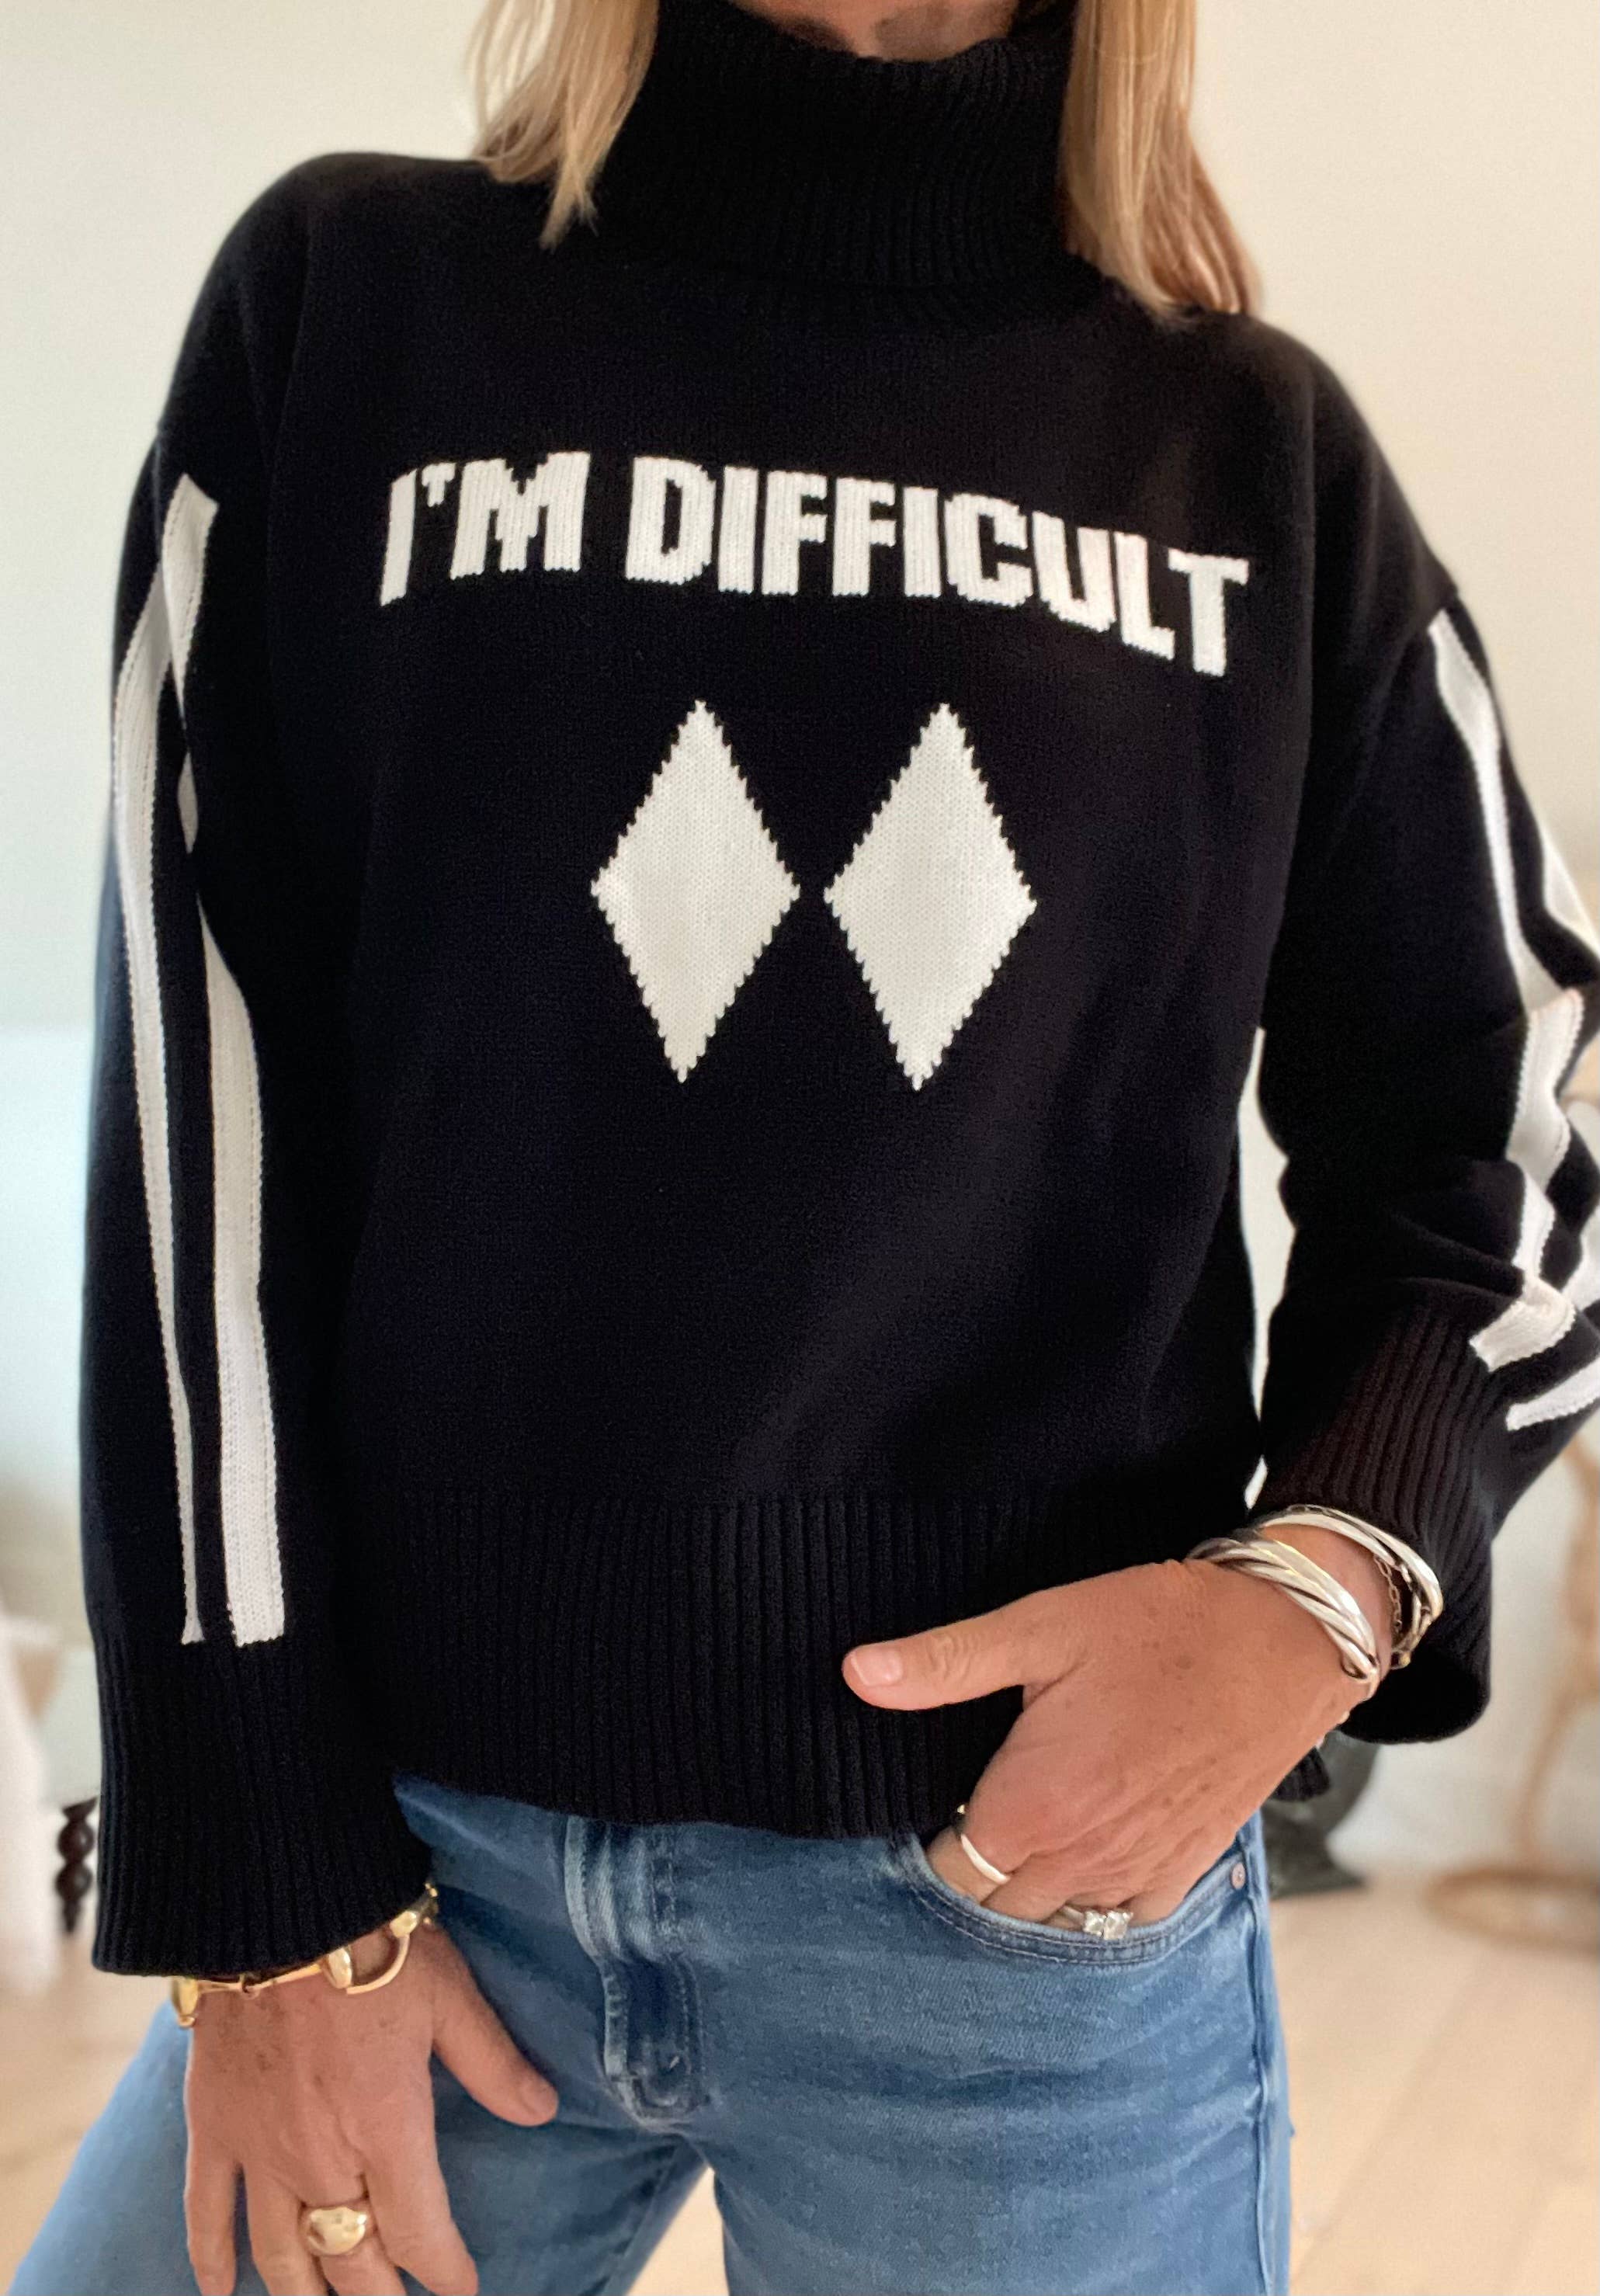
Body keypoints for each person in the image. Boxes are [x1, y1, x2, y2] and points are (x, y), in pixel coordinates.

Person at [13, 0, 1600, 2291]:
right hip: (402, 1875)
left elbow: (1519, 1104)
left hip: (1022, 1905)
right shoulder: (351, 309)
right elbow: (201, 1116)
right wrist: (266, 1897)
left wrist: (1328, 1583)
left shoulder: (1253, 454)